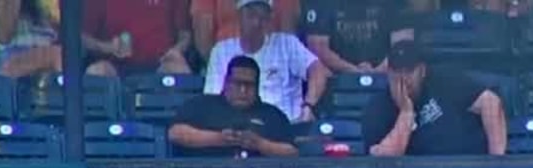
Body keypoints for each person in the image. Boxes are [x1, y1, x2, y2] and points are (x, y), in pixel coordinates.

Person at [362, 39, 507, 155]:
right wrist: (406, 113)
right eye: (397, 72)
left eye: (409, 71)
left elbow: (490, 102)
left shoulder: (444, 81)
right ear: (388, 73)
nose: (403, 78)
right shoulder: (378, 108)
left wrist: (496, 163)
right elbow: (383, 160)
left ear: (422, 71)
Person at [203, 0, 330, 125]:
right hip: (238, 128)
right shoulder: (221, 51)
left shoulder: (287, 44)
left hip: (288, 127)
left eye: (262, 17)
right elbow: (213, 98)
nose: (256, 23)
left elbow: (317, 70)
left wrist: (308, 105)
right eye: (251, 15)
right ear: (239, 16)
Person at [168, 55, 298, 157]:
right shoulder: (202, 105)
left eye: (249, 85)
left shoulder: (273, 115)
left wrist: (260, 144)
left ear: (257, 86)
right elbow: (175, 133)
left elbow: (292, 153)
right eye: (237, 83)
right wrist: (218, 139)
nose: (243, 90)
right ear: (226, 83)